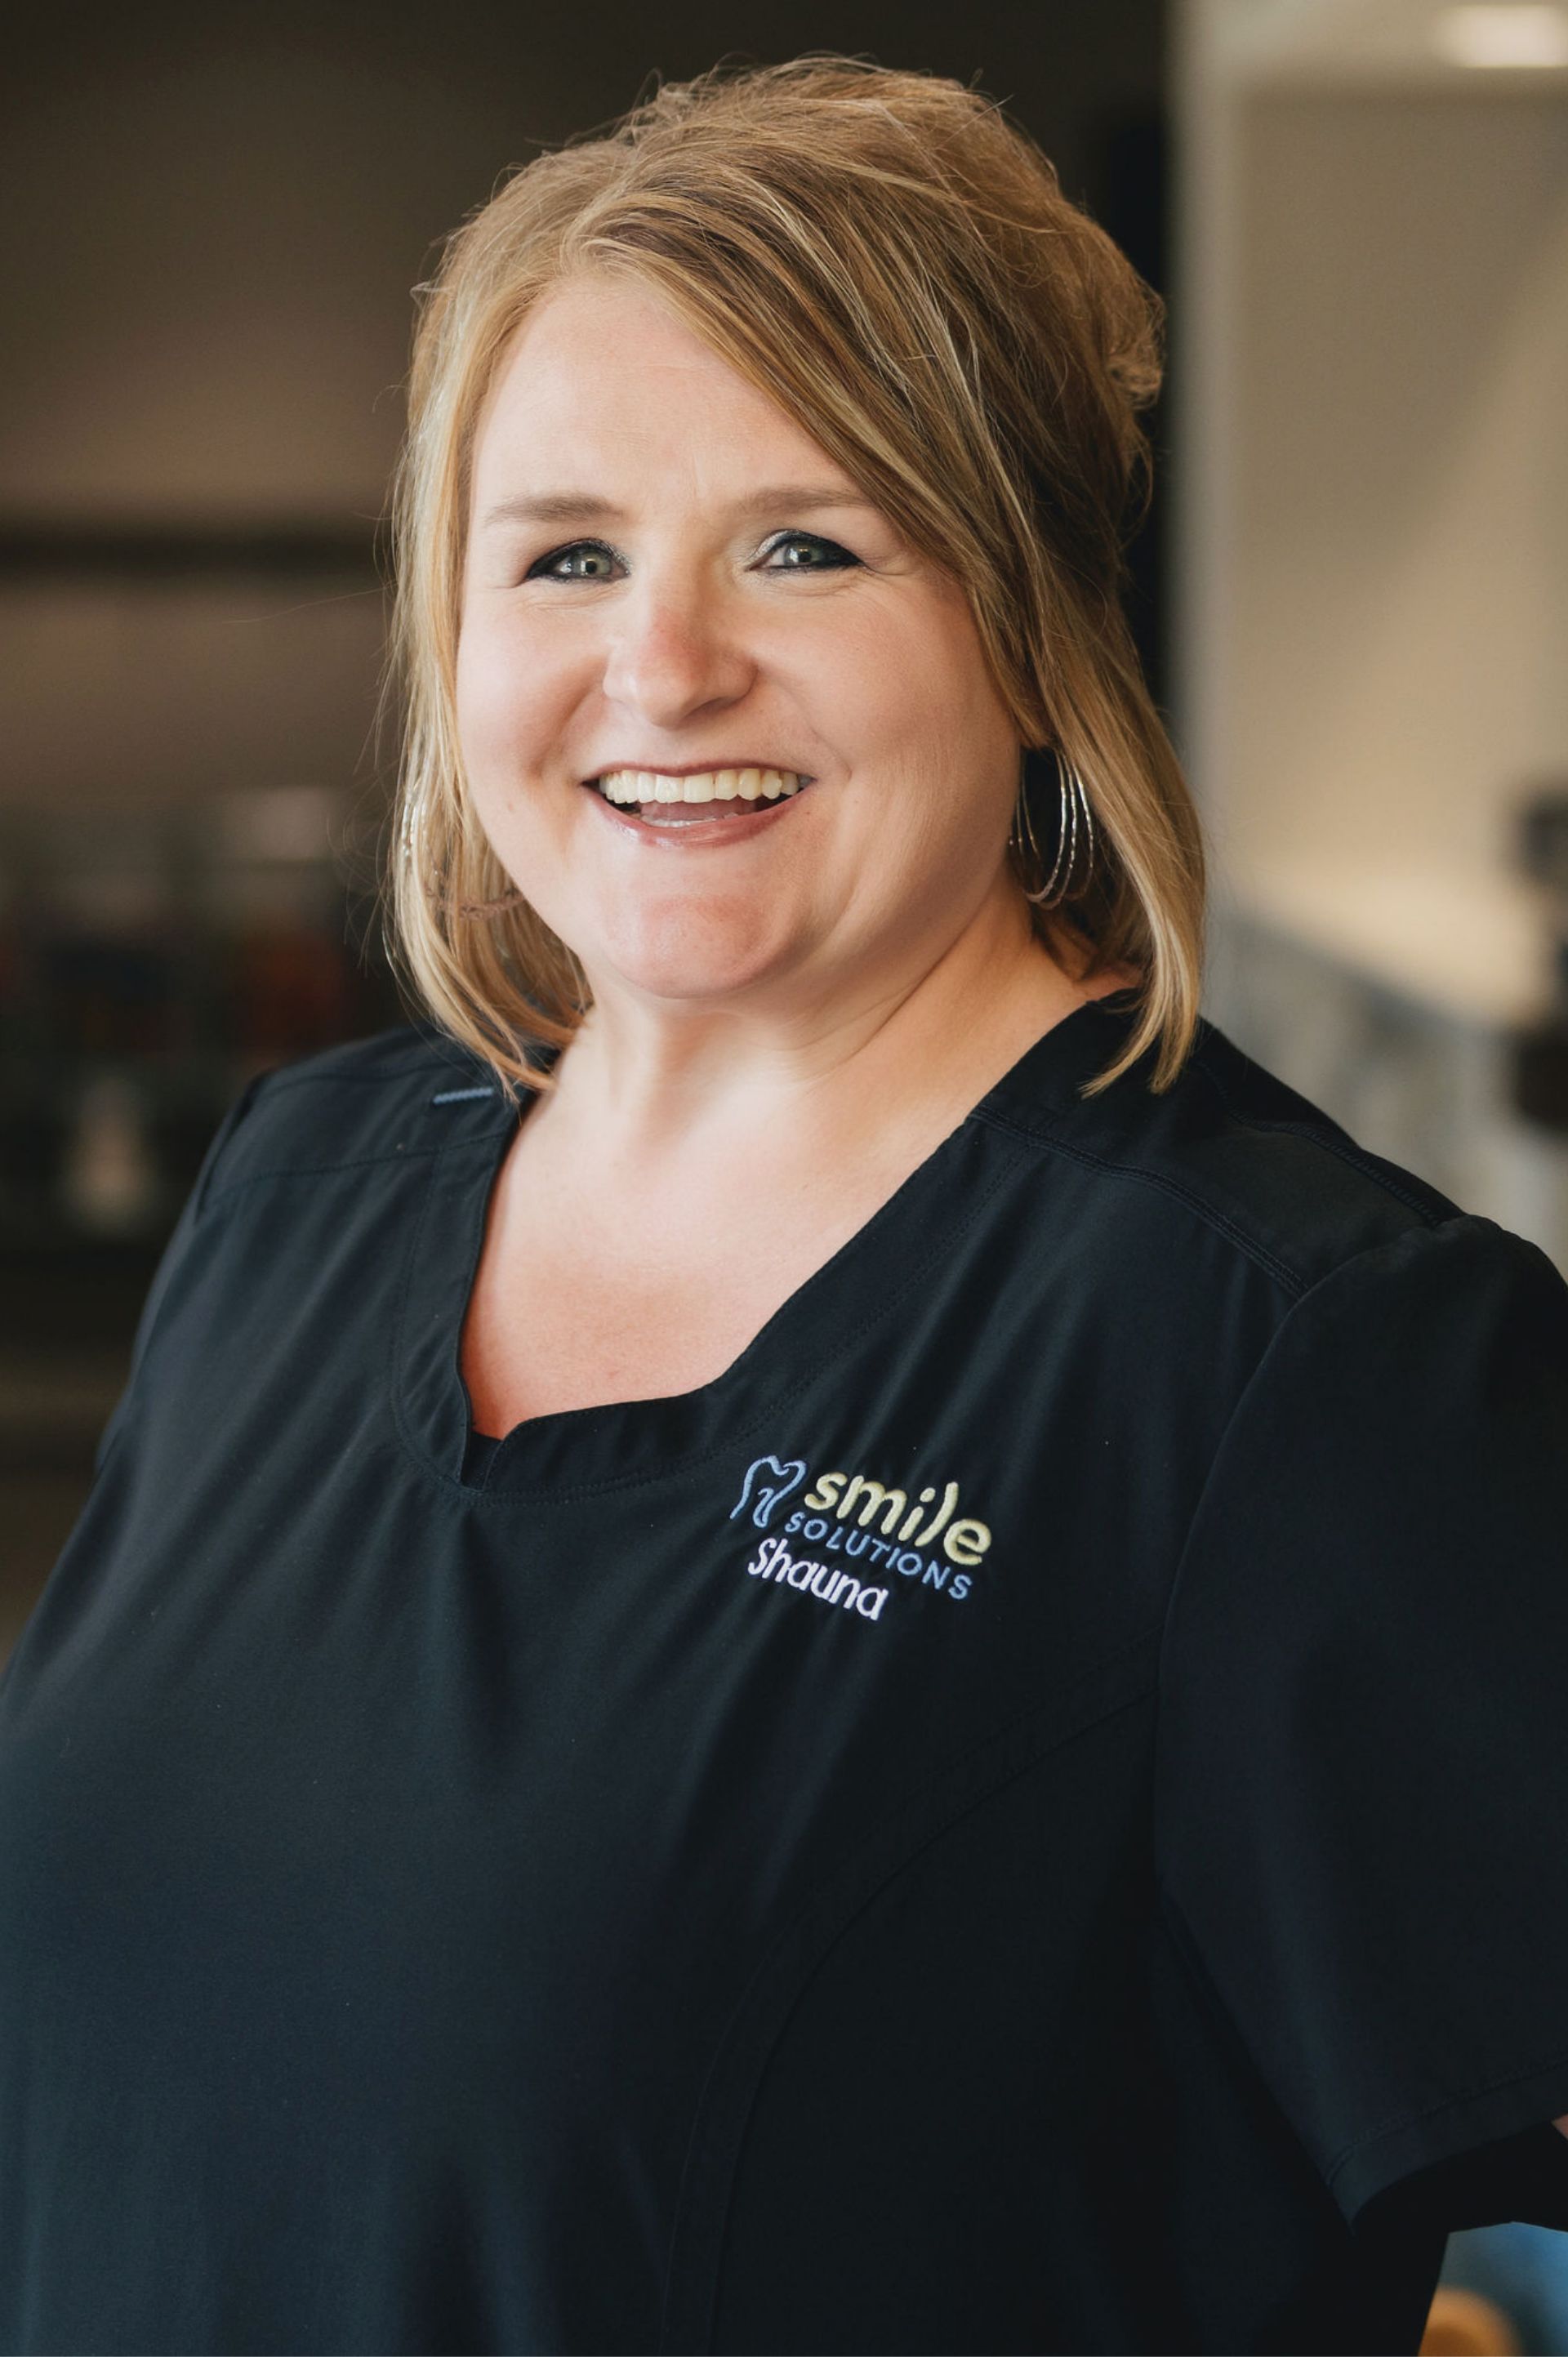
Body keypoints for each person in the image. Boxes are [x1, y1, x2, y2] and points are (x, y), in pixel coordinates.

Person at [2, 56, 1566, 2357]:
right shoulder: (300, 1190)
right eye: (566, 554)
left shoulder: (1305, 1363)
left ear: (1034, 626)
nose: (664, 664)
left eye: (809, 545)